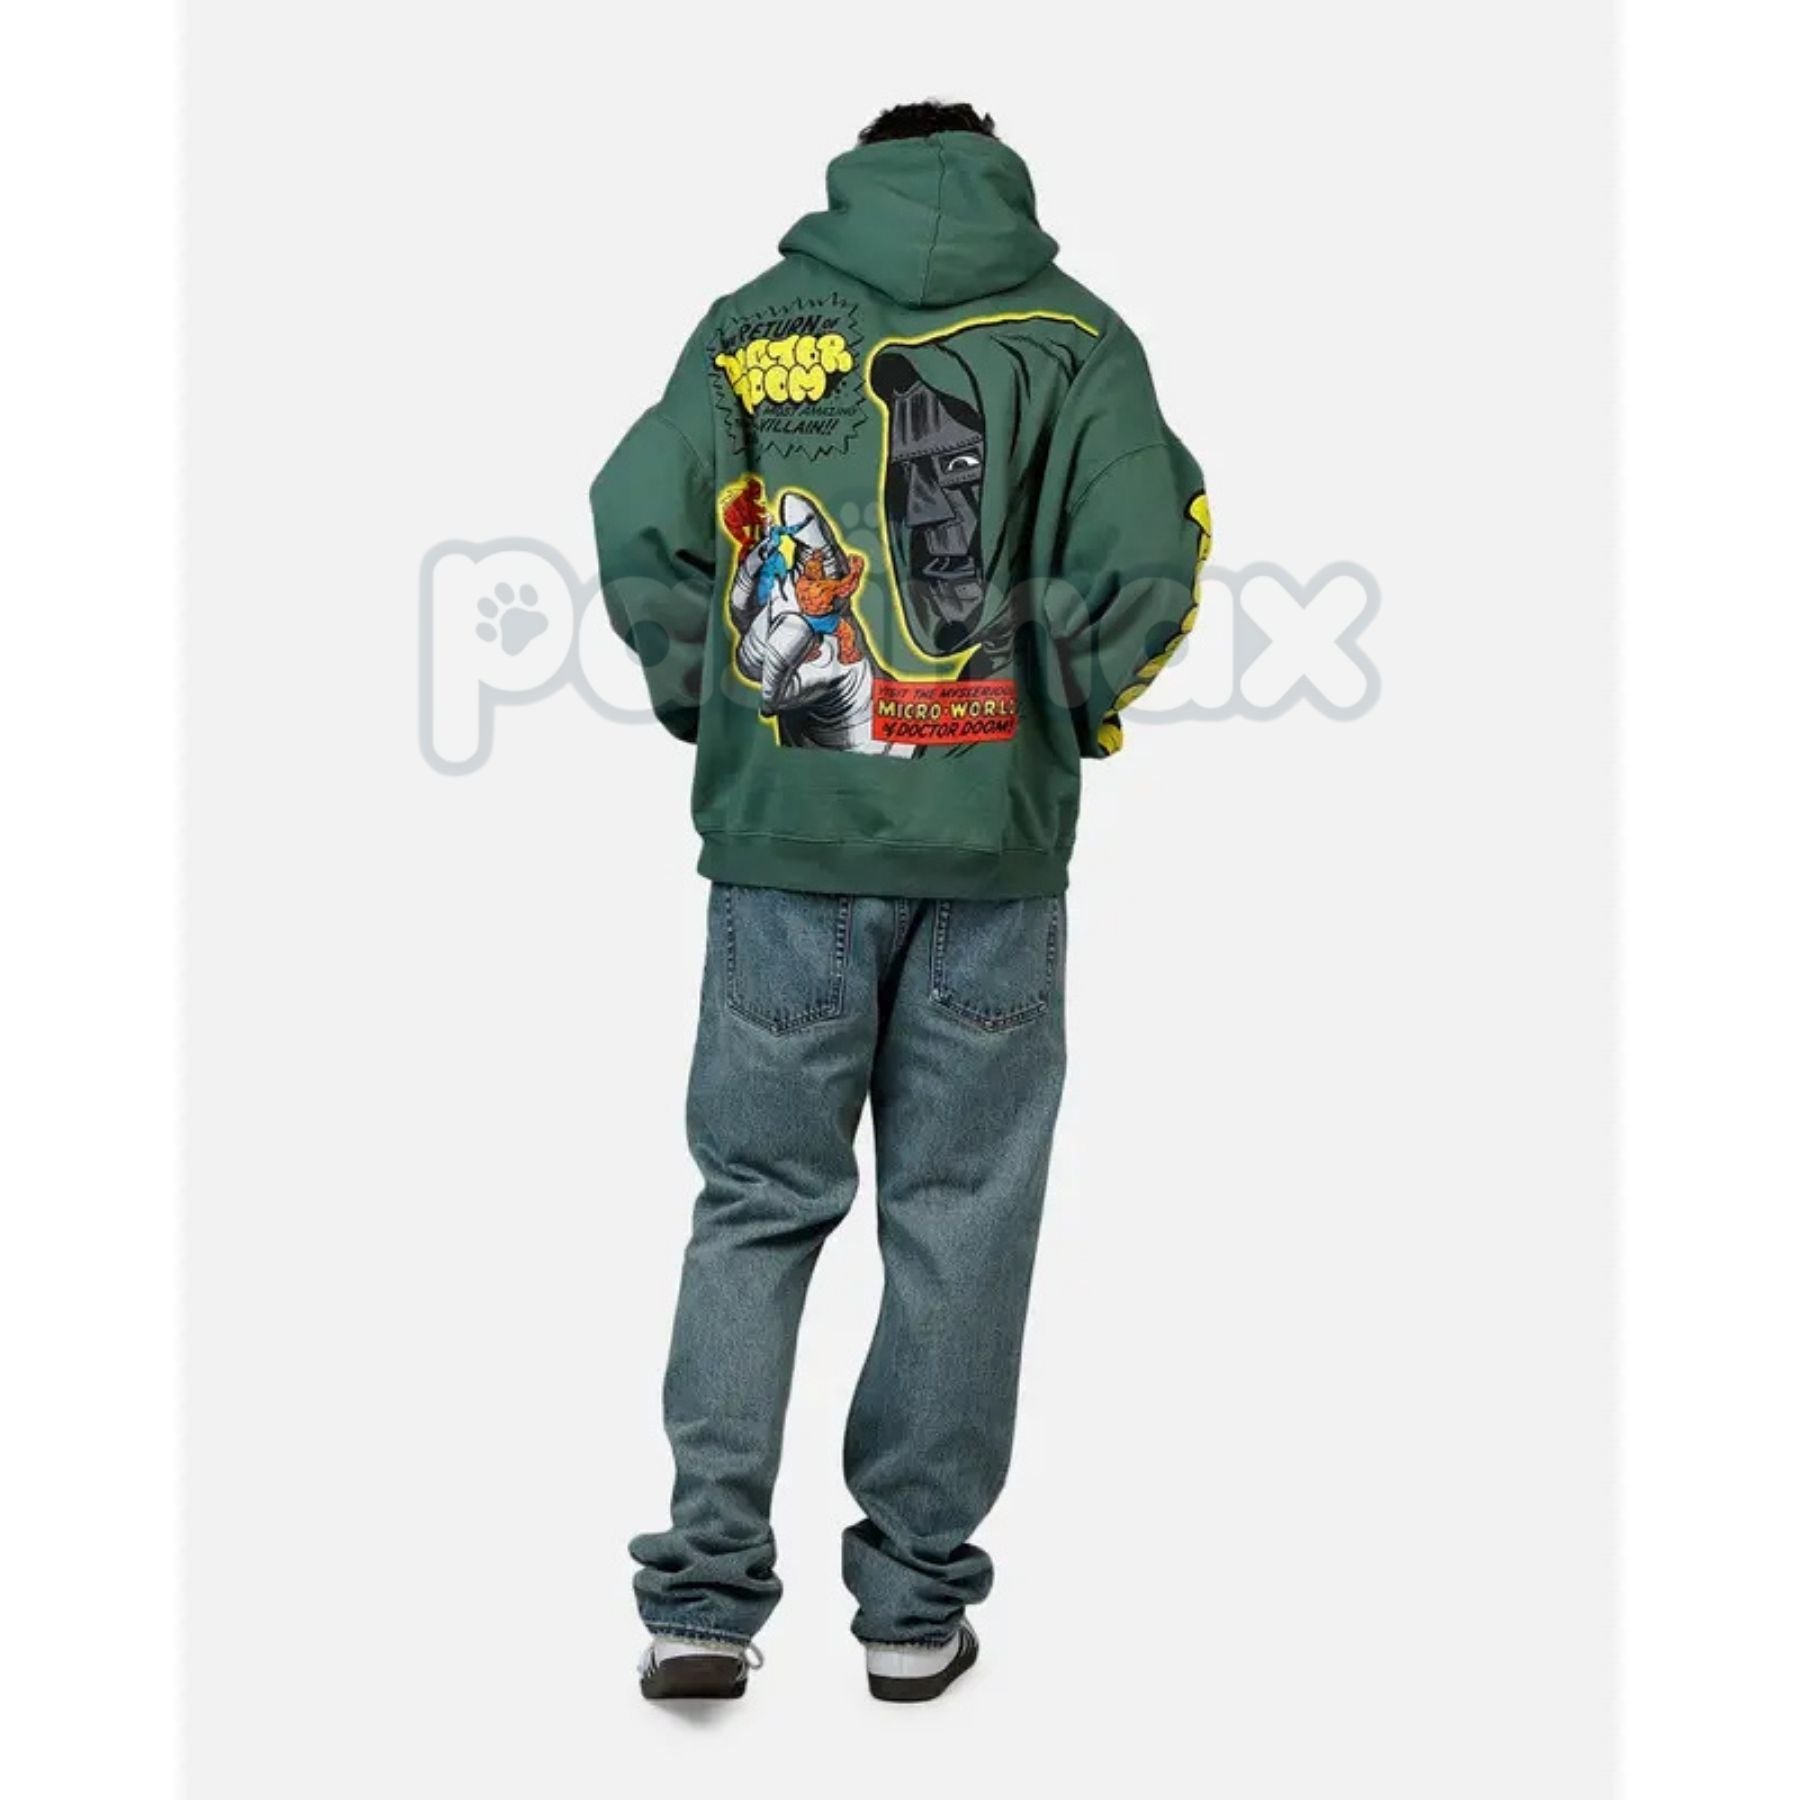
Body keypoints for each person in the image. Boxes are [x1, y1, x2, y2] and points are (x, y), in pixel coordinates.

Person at [591, 99, 1211, 1704]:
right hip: (989, 860)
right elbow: (1156, 553)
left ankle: (703, 1601)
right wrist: (1055, 715)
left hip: (784, 846)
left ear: (856, 171)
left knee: (756, 1203)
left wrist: (721, 699)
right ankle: (913, 1610)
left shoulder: (750, 333)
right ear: (998, 171)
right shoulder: (1083, 341)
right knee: (962, 1219)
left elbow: (636, 514)